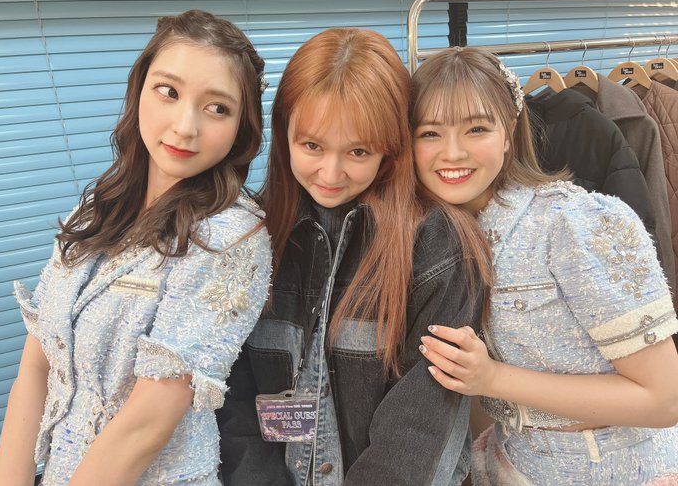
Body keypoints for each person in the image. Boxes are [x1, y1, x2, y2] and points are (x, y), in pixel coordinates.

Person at [0, 10, 272, 486]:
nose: (185, 126)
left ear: (240, 128)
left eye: (217, 108)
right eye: (169, 91)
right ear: (139, 90)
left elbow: (146, 424)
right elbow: (37, 364)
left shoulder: (232, 237)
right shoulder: (96, 208)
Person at [217, 29, 492, 486]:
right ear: (284, 132)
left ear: (390, 147)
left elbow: (418, 428)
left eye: (358, 151)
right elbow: (233, 391)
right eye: (312, 146)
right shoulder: (253, 235)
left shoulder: (437, 245)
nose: (330, 172)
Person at [412, 47, 678, 485]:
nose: (452, 152)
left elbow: (664, 399)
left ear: (509, 131)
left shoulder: (573, 223)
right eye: (429, 133)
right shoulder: (436, 237)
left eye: (476, 128)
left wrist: (492, 378)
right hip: (510, 464)